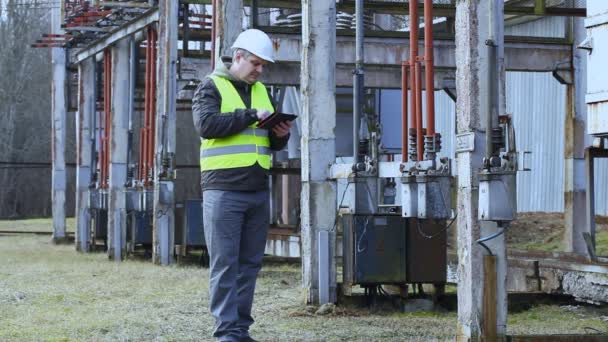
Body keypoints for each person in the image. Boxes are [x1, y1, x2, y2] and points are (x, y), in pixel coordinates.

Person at [192, 29, 292, 342]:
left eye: (263, 65)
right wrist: (250, 115)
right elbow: (206, 125)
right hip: (223, 190)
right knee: (225, 264)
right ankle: (225, 333)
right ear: (238, 57)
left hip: (258, 189)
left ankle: (240, 330)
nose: (260, 70)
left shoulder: (264, 91)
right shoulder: (210, 87)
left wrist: (281, 132)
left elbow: (272, 145)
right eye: (255, 63)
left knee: (249, 265)